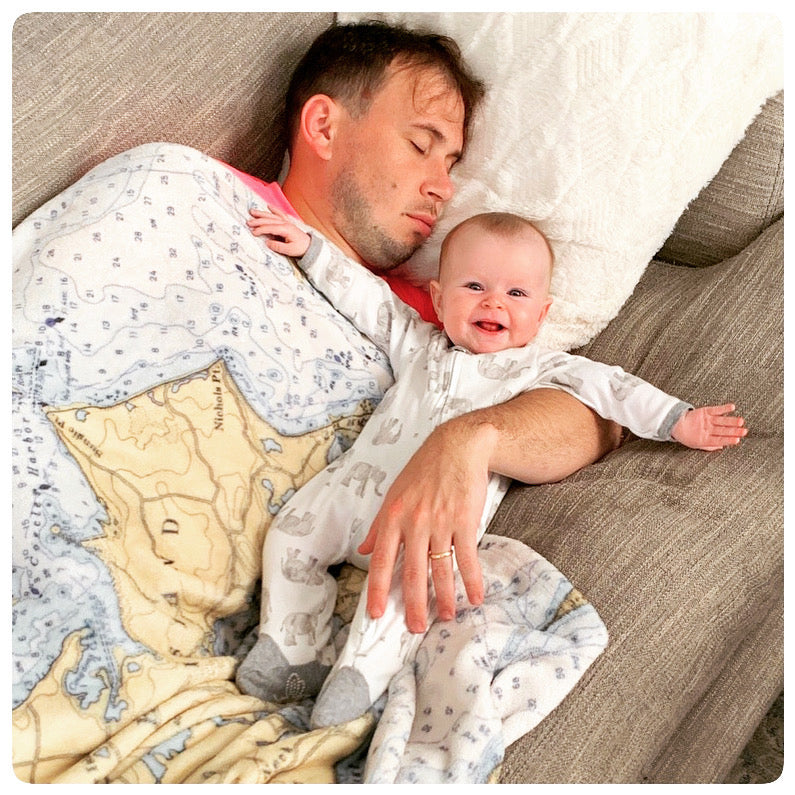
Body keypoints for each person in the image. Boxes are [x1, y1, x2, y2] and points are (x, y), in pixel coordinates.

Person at [235, 207, 747, 727]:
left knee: (405, 594)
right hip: (350, 492)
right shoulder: (417, 345)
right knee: (292, 535)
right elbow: (369, 300)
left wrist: (678, 420)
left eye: (516, 293)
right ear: (439, 299)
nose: (494, 302)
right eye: (474, 286)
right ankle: (291, 648)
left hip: (431, 525)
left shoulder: (541, 368)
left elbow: (614, 389)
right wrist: (311, 248)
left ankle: (359, 677)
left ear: (542, 315)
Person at [230, 20, 624, 642]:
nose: (443, 187)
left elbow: (597, 420)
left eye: (452, 162)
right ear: (324, 127)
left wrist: (469, 439)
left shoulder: (442, 317)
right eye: (421, 144)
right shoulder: (210, 199)